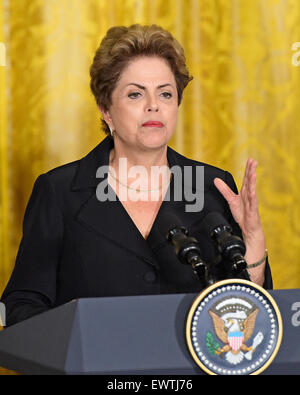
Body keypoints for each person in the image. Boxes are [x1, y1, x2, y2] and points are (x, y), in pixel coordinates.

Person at [1, 24, 272, 327]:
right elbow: (21, 307)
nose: (153, 105)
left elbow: (248, 318)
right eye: (135, 94)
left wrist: (253, 246)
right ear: (107, 110)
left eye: (166, 94)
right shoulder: (60, 192)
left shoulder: (212, 188)